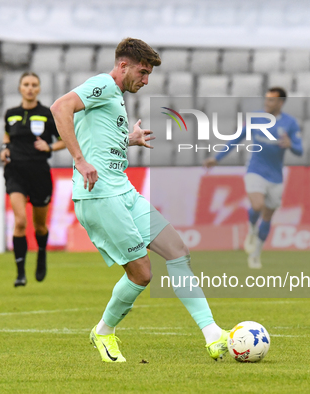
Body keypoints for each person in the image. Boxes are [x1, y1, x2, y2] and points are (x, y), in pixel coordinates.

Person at [51, 38, 229, 363]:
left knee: (177, 251)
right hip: (101, 197)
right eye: (143, 72)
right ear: (123, 66)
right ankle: (104, 331)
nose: (145, 81)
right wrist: (78, 159)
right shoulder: (104, 84)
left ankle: (213, 333)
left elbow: (99, 139)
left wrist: (127, 139)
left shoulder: (114, 97)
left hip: (124, 192)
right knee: (142, 274)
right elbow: (60, 107)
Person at [204, 87, 303, 269]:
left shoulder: (290, 123)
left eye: (272, 100)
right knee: (257, 205)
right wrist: (216, 158)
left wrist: (291, 145)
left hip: (276, 176)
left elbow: (300, 150)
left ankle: (256, 253)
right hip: (255, 170)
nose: (267, 103)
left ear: (280, 103)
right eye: (266, 99)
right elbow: (236, 139)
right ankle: (251, 228)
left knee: (268, 215)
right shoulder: (255, 118)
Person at [0, 72, 65, 287]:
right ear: (20, 88)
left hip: (39, 173)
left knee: (39, 226)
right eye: (26, 84)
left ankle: (42, 253)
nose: (30, 88)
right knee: (20, 221)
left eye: (34, 85)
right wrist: (4, 149)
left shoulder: (47, 114)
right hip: (15, 172)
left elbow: (65, 140)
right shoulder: (11, 113)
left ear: (38, 89)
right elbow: (7, 135)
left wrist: (50, 146)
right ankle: (20, 272)